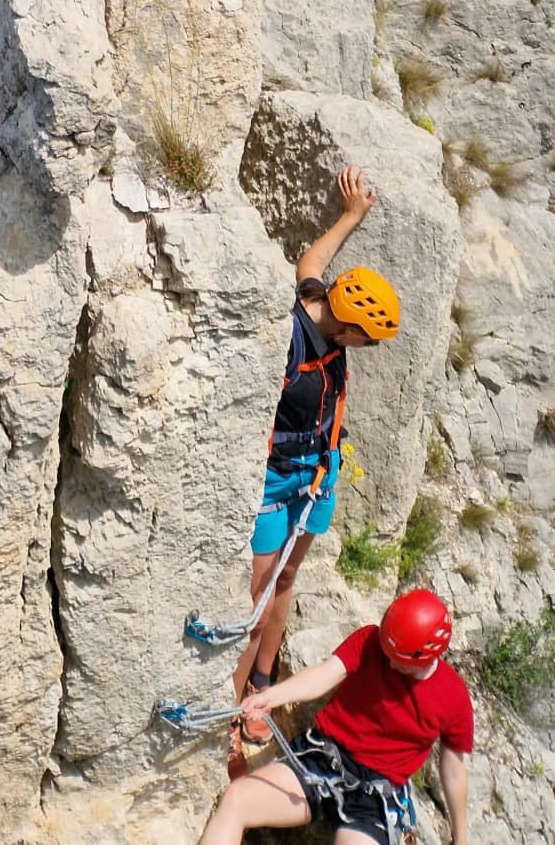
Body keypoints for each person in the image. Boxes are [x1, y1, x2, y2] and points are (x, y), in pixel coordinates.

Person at [228, 164, 400, 766]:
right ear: (346, 325)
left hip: (319, 473)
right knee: (256, 599)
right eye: (365, 340)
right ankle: (231, 708)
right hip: (278, 479)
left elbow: (312, 260)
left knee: (287, 581)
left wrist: (351, 215)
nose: (364, 349)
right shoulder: (290, 337)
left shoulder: (319, 300)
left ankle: (262, 687)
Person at [196, 588, 473, 845]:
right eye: (387, 651)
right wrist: (271, 697)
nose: (389, 663)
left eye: (399, 660)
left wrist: (460, 838)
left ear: (426, 656)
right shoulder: (370, 640)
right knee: (237, 800)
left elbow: (454, 768)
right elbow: (323, 675)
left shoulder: (453, 697)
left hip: (374, 798)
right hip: (323, 759)